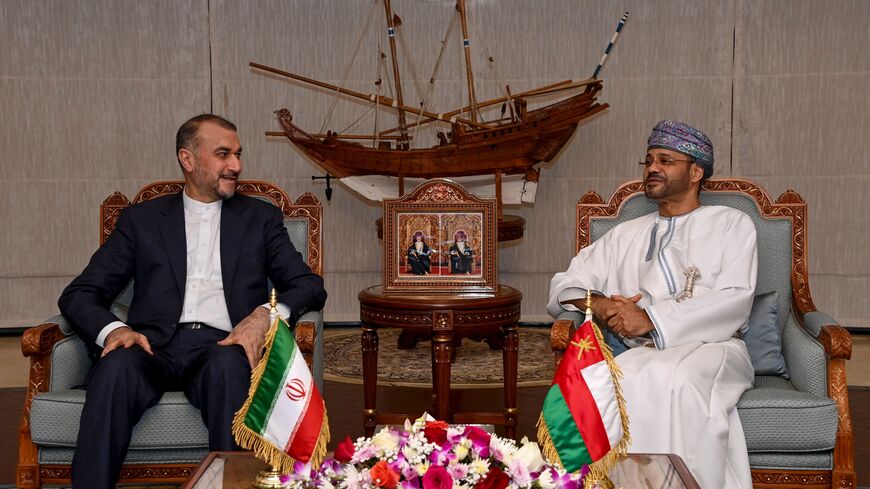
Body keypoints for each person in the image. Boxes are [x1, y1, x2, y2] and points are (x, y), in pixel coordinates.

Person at [58, 114, 328, 489]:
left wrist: (266, 316)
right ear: (188, 159)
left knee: (229, 370)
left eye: (238, 154)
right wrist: (115, 330)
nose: (236, 165)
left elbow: (308, 285)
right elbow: (80, 294)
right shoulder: (142, 220)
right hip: (150, 345)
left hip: (223, 345)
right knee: (115, 370)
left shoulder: (259, 218)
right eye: (223, 154)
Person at [547, 120, 756, 489]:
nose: (653, 168)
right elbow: (566, 283)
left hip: (715, 346)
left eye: (665, 160)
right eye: (648, 160)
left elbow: (735, 298)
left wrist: (649, 319)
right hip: (638, 352)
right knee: (624, 379)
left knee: (682, 381)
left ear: (696, 172)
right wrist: (604, 306)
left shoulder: (731, 224)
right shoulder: (625, 233)